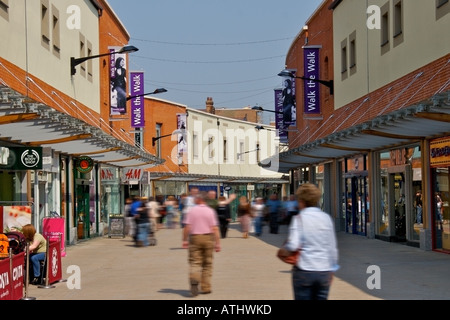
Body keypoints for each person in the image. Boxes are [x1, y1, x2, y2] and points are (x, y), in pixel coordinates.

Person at [282, 183, 338, 300]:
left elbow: (293, 245)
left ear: (301, 201)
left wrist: (284, 250)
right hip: (324, 271)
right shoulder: (326, 218)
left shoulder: (299, 218)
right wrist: (332, 268)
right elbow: (332, 248)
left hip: (305, 270)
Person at [182, 191, 221, 297]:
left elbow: (187, 227)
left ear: (199, 199)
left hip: (194, 238)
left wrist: (184, 240)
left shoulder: (191, 211)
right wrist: (218, 243)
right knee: (207, 263)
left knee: (195, 262)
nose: (194, 199)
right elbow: (215, 228)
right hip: (208, 238)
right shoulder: (210, 211)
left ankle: (194, 278)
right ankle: (206, 287)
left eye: (195, 198)